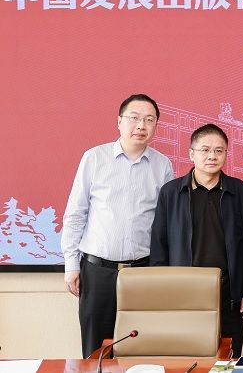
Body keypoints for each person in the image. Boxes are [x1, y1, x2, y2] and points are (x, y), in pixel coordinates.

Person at [61, 94, 173, 357]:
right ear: (119, 122)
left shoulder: (162, 165)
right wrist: (71, 265)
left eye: (149, 120)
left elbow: (165, 224)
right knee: (96, 351)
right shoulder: (94, 158)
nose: (141, 125)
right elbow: (75, 214)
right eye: (134, 118)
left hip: (142, 272)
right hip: (98, 271)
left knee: (140, 348)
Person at [150, 123, 243, 358]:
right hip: (184, 290)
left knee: (228, 358)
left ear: (226, 154)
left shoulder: (241, 192)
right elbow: (159, 245)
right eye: (205, 150)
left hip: (229, 291)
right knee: (186, 357)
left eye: (219, 151)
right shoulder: (171, 192)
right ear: (191, 154)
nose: (212, 156)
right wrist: (161, 291)